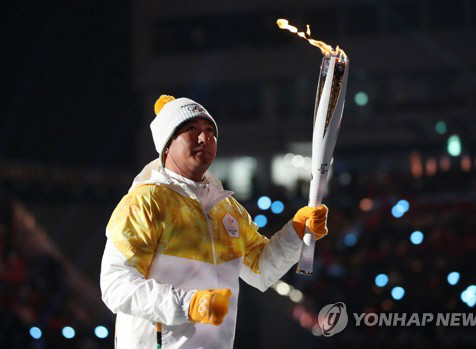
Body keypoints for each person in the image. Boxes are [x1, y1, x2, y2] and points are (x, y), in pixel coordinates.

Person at [100, 95, 329, 349]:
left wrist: (296, 232)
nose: (204, 138)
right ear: (167, 144)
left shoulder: (225, 208)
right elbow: (115, 284)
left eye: (210, 131)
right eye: (191, 130)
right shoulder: (146, 202)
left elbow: (262, 270)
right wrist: (188, 305)